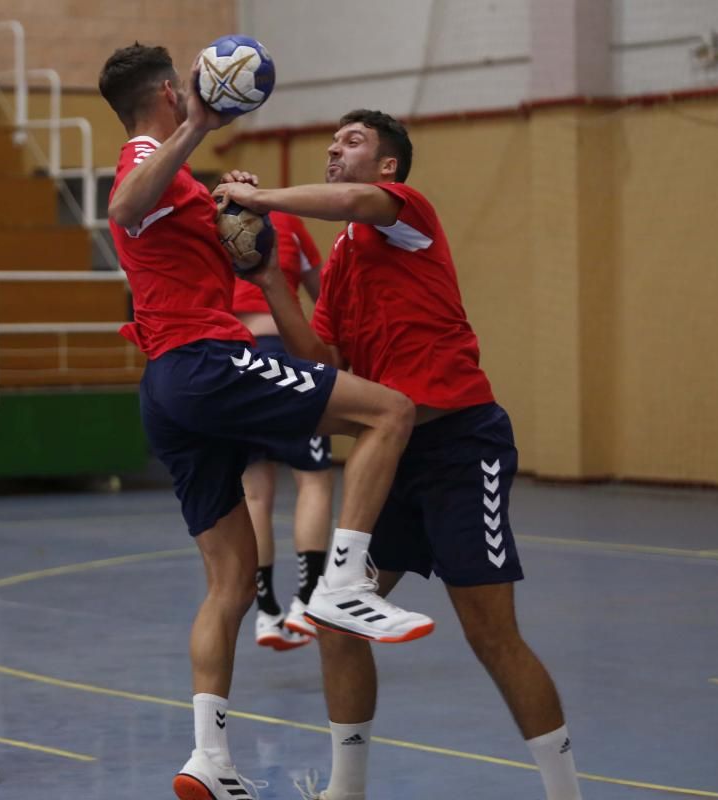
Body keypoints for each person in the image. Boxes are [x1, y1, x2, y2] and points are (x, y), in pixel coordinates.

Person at [214, 110, 584, 800]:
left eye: (351, 141)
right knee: (331, 622)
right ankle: (345, 791)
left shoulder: (404, 214)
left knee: (491, 635)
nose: (334, 150)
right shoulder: (347, 262)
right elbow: (322, 359)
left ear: (388, 167)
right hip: (394, 459)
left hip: (461, 447)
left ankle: (566, 793)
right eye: (331, 142)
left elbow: (352, 202)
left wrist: (259, 198)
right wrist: (270, 280)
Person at [97, 46, 434, 800]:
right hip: (205, 359)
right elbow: (122, 205)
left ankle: (208, 759)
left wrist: (236, 209)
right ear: (166, 91)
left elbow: (196, 239)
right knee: (390, 410)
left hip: (168, 383)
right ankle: (345, 581)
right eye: (182, 84)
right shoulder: (150, 152)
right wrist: (200, 129)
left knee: (230, 584)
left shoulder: (177, 175)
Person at [233, 210, 333, 652]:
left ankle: (266, 610)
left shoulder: (211, 222)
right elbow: (325, 293)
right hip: (287, 356)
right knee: (312, 480)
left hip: (236, 362)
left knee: (255, 492)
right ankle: (307, 600)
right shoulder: (289, 223)